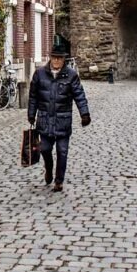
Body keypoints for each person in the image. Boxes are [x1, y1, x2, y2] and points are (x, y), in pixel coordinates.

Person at [27, 47, 91, 193]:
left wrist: (84, 114)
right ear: (50, 58)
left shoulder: (71, 75)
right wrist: (31, 114)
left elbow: (79, 95)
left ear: (64, 59)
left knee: (62, 152)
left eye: (59, 58)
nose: (56, 61)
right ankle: (48, 168)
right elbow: (33, 96)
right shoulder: (40, 74)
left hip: (63, 120)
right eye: (54, 58)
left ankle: (59, 181)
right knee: (45, 149)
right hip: (44, 119)